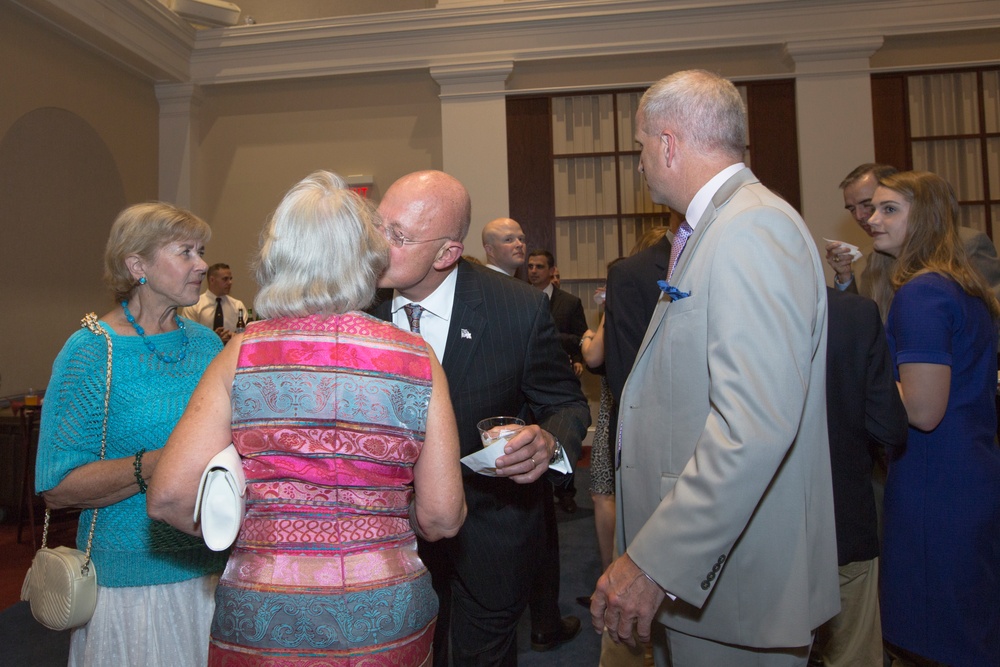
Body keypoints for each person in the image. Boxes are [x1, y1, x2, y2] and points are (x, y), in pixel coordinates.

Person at [147, 170, 467, 665]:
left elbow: (168, 497)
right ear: (369, 256)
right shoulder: (417, 358)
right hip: (384, 613)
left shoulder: (242, 353)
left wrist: (254, 530)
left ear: (278, 256)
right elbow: (442, 517)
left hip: (264, 613)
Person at [591, 69, 839, 666]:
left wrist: (657, 561)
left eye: (642, 146)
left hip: (736, 580)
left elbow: (752, 426)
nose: (641, 163)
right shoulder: (720, 227)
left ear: (669, 142)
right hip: (712, 577)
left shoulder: (750, 229)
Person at [371, 170, 590, 666]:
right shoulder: (355, 307)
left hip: (491, 532)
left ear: (447, 253)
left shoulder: (517, 308)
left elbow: (566, 403)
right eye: (377, 228)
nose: (377, 246)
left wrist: (548, 444)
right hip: (387, 538)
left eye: (398, 236)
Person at [34, 202, 228, 666]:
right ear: (137, 265)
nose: (201, 265)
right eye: (185, 252)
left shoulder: (206, 345)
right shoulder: (91, 351)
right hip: (128, 588)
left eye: (201, 251)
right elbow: (57, 489)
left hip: (211, 577)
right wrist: (157, 465)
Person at [866, 170, 1000, 667]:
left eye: (888, 209)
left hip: (936, 482)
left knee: (936, 638)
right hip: (970, 470)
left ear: (924, 218)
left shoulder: (921, 294)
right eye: (872, 208)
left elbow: (922, 410)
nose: (871, 219)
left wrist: (863, 380)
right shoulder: (960, 286)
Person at [812, 288, 908, 667]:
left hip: (759, 535)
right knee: (853, 655)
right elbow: (889, 427)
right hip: (843, 519)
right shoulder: (856, 313)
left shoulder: (727, 307)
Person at [826, 163, 1000, 320]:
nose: (861, 216)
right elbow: (862, 322)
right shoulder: (866, 257)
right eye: (851, 209)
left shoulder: (967, 244)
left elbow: (991, 313)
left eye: (868, 204)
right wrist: (845, 277)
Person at [179, 262, 247, 343]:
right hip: (203, 352)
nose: (230, 282)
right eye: (225, 279)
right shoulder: (194, 305)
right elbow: (187, 334)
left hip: (232, 351)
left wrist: (232, 336)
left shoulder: (238, 306)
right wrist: (212, 338)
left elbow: (246, 334)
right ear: (212, 280)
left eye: (230, 279)